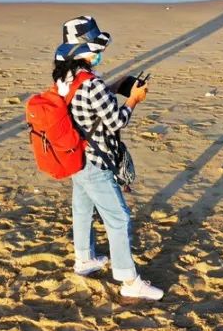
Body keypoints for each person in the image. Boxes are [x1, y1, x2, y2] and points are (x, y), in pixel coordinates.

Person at [55, 15, 163, 300]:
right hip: (96, 160)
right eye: (96, 49)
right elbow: (116, 121)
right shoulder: (92, 83)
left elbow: (86, 104)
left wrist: (113, 88)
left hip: (75, 156)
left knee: (82, 209)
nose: (99, 53)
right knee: (118, 218)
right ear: (86, 51)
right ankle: (129, 280)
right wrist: (134, 99)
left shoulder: (66, 78)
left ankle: (84, 259)